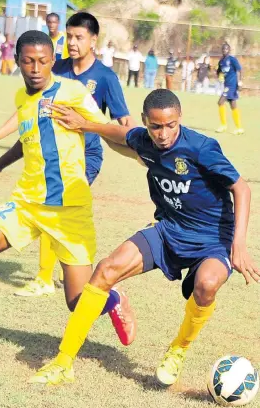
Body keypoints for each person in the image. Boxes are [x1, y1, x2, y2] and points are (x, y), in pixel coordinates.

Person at [26, 88, 259, 387]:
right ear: (145, 122)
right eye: (156, 126)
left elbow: (242, 188)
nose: (163, 134)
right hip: (168, 231)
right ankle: (63, 363)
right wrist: (84, 123)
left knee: (206, 286)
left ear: (180, 119)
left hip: (212, 239)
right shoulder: (143, 140)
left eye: (171, 125)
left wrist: (238, 245)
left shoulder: (202, 148)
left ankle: (178, 349)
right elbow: (121, 133)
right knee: (105, 270)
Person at [0, 30, 136, 349]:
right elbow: (27, 136)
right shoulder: (26, 98)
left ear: (51, 62)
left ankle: (113, 300)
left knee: (77, 301)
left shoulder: (72, 92)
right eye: (28, 61)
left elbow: (111, 130)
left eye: (43, 61)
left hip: (70, 210)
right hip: (27, 203)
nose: (35, 68)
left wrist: (91, 126)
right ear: (16, 61)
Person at [0, 12, 135, 299]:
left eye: (78, 37)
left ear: (93, 41)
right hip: (49, 152)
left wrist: (140, 149)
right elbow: (29, 113)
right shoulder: (54, 67)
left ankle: (70, 277)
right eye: (69, 36)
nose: (71, 43)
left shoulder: (105, 77)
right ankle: (46, 277)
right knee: (48, 198)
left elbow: (122, 121)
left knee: (58, 200)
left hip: (87, 152)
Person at [216, 43, 244, 135]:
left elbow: (240, 70)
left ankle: (223, 125)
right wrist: (219, 76)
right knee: (233, 105)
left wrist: (240, 82)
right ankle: (239, 128)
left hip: (232, 85)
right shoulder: (221, 61)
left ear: (229, 50)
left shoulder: (232, 59)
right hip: (226, 84)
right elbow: (219, 71)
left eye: (226, 49)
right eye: (223, 49)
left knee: (220, 102)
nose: (225, 50)